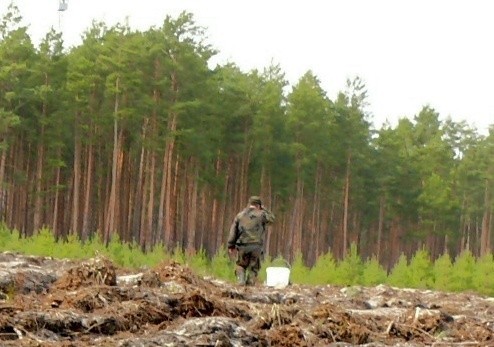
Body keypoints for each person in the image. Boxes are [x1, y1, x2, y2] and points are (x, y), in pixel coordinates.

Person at [227, 196, 275, 285]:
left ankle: (240, 281)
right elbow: (272, 219)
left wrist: (231, 245)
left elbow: (233, 231)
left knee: (241, 265)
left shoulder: (240, 215)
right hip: (256, 246)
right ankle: (250, 283)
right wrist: (265, 210)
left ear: (249, 204)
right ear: (258, 205)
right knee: (254, 267)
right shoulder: (262, 215)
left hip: (242, 246)